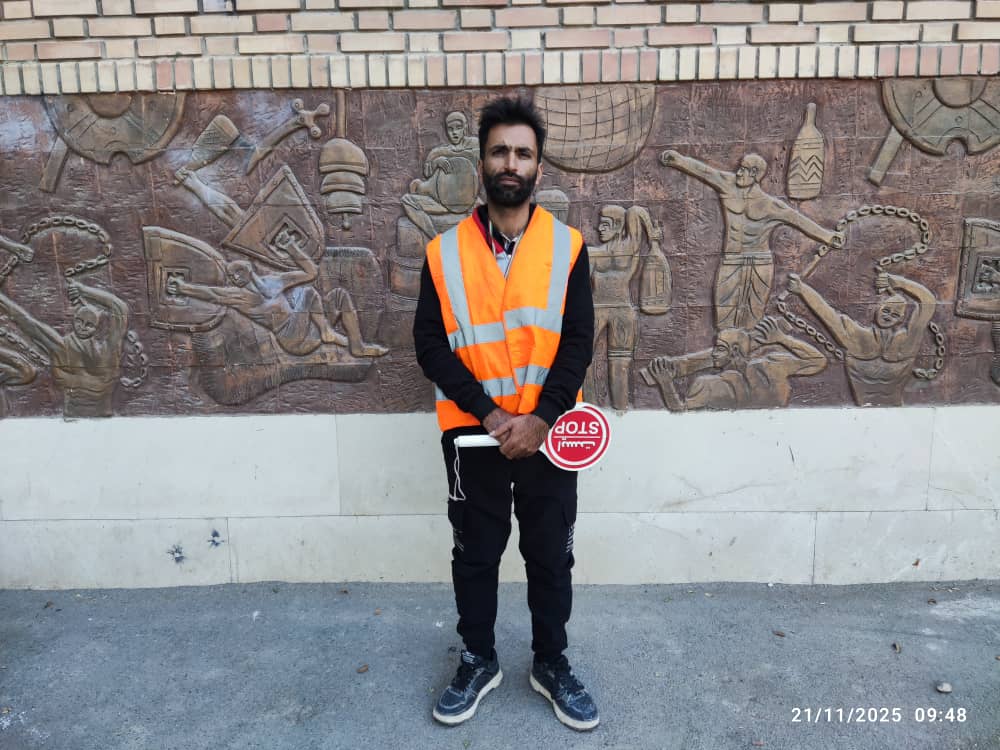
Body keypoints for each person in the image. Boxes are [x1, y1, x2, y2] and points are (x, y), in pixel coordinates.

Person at [413, 97, 597, 730]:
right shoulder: (442, 253)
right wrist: (491, 416)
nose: (510, 163)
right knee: (475, 555)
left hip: (552, 436)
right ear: (482, 162)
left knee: (550, 555)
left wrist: (541, 418)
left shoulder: (568, 248)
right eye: (499, 151)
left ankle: (551, 662)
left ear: (539, 168)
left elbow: (577, 343)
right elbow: (430, 345)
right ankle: (478, 659)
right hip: (473, 436)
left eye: (522, 153)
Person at [658, 149, 843, 331]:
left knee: (752, 320)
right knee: (723, 316)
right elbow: (704, 171)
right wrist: (678, 160)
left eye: (744, 169)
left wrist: (827, 236)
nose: (738, 173)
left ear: (754, 174)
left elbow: (800, 221)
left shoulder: (771, 205)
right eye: (739, 168)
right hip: (732, 261)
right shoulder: (728, 185)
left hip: (760, 264)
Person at [167, 227, 386, 359]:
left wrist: (291, 247)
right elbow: (213, 294)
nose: (234, 279)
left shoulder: (273, 281)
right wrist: (184, 287)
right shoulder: (241, 297)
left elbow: (311, 272)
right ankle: (328, 332)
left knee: (338, 296)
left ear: (248, 270)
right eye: (231, 276)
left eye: (237, 273)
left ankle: (357, 346)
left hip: (308, 328)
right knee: (308, 293)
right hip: (293, 339)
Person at [787, 271, 935, 406]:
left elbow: (928, 303)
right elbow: (827, 314)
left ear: (901, 319)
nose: (888, 316)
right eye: (886, 310)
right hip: (863, 405)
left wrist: (898, 282)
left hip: (894, 406)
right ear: (878, 309)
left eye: (895, 315)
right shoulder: (857, 337)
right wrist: (803, 290)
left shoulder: (907, 342)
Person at [0, 280, 128, 417]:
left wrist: (84, 291)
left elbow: (120, 309)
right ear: (74, 320)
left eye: (89, 324)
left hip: (99, 414)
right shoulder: (63, 347)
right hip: (72, 414)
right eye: (79, 321)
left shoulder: (108, 351)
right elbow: (29, 323)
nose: (83, 327)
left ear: (96, 328)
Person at [640, 316, 827, 410]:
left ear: (735, 351)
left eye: (720, 348)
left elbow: (680, 411)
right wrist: (782, 339)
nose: (714, 353)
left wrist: (666, 383)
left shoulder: (708, 385)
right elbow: (817, 360)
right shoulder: (772, 366)